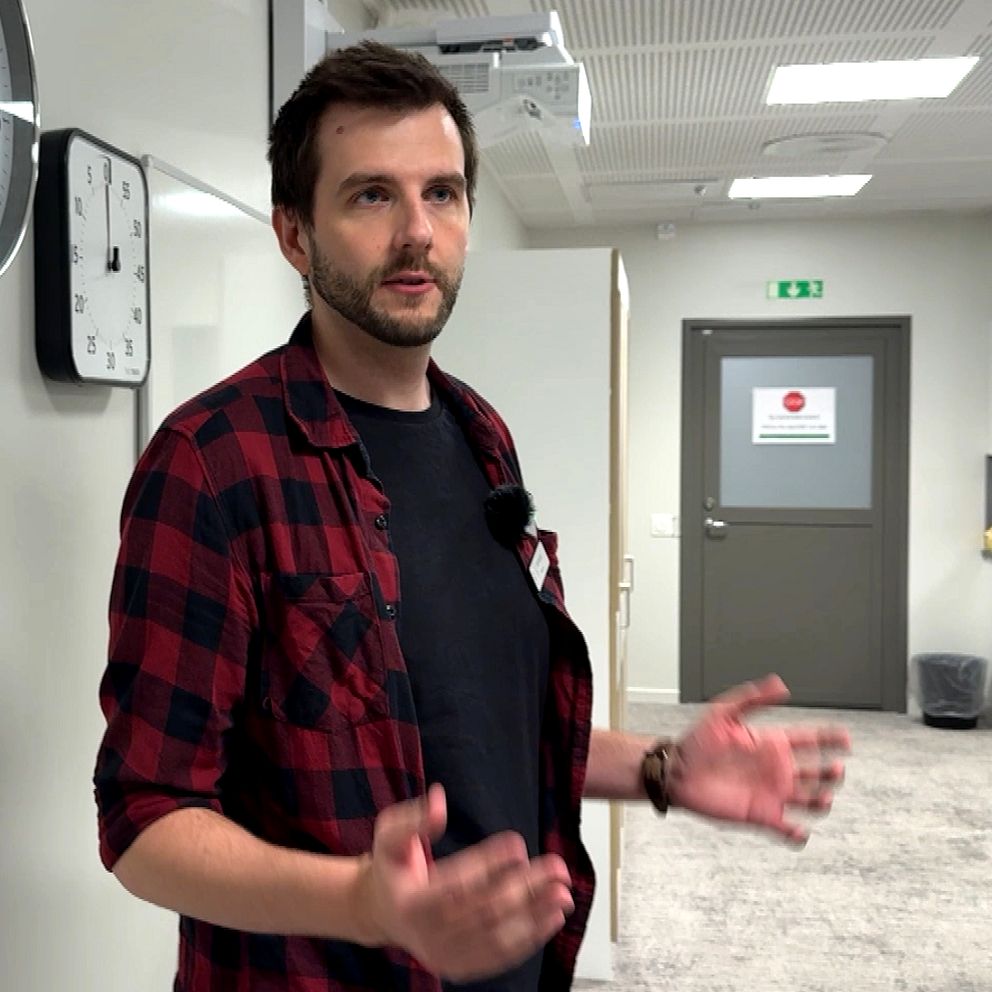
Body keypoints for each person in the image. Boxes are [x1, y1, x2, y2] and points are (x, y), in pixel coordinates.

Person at [93, 41, 850, 992]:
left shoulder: (480, 432)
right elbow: (143, 820)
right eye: (372, 195)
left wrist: (661, 769)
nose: (417, 232)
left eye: (442, 194)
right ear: (294, 234)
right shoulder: (212, 463)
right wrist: (362, 903)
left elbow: (478, 724)